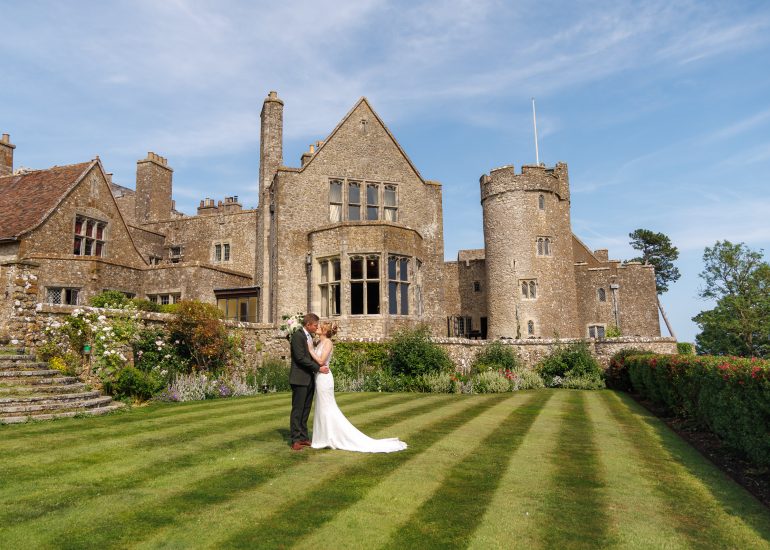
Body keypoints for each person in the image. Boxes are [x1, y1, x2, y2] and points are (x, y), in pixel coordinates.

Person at [308, 320, 407, 453]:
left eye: (320, 326)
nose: (317, 327)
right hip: (319, 377)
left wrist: (309, 350)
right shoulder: (319, 342)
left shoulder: (328, 343)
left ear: (325, 330)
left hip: (325, 378)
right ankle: (323, 437)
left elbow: (321, 361)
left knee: (327, 407)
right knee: (321, 407)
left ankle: (330, 437)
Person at [289, 313, 329, 451]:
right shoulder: (297, 336)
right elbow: (300, 358)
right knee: (298, 410)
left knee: (306, 410)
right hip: (299, 378)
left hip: (309, 378)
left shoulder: (309, 337)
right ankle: (295, 439)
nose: (317, 327)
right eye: (315, 325)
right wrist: (318, 368)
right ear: (308, 325)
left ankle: (304, 437)